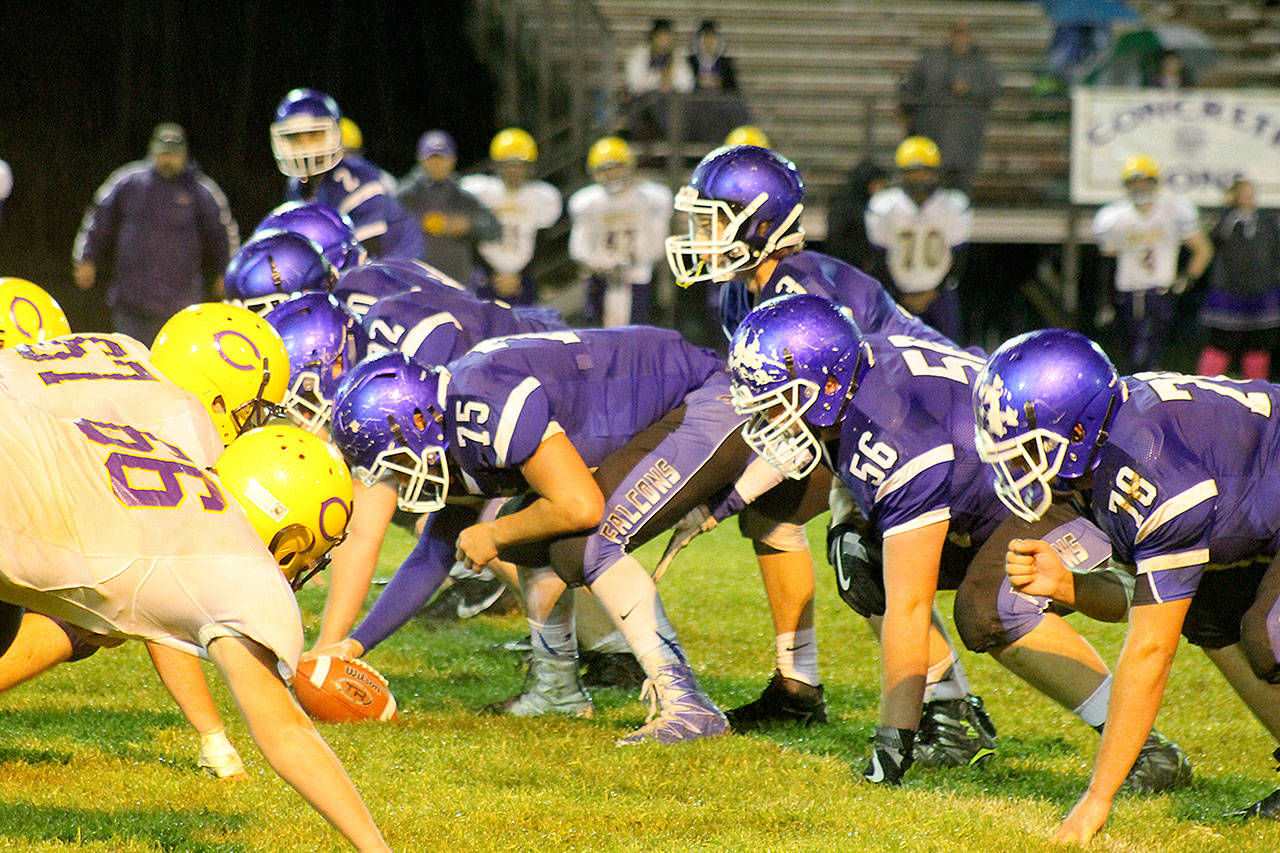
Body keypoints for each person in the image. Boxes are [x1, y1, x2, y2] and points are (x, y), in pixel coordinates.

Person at [729, 294, 1191, 789]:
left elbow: (910, 604)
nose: (771, 418)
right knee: (863, 559)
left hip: (1057, 486)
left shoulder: (892, 432)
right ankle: (950, 718)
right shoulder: (857, 382)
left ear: (829, 383)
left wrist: (891, 743)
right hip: (994, 490)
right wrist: (846, 523)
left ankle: (1145, 748)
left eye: (778, 400)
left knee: (991, 608)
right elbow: (856, 474)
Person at [665, 144, 990, 743]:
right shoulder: (747, 286)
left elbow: (821, 405)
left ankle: (950, 706)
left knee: (860, 559)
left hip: (931, 421)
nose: (700, 235)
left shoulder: (800, 289)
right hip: (874, 417)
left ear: (759, 224)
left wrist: (720, 500)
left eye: (713, 219)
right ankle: (797, 685)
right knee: (774, 519)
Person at [322, 329, 738, 744]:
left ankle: (689, 705)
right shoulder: (453, 421)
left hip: (705, 397)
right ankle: (557, 691)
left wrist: (493, 532)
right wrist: (354, 646)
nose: (392, 476)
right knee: (527, 532)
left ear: (417, 420)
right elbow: (432, 553)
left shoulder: (479, 403)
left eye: (392, 459)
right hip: (678, 400)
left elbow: (579, 506)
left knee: (584, 543)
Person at [974, 329, 1280, 843]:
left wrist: (1098, 799)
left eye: (1027, 450)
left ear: (1075, 432)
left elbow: (1148, 653)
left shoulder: (1148, 467)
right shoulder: (1110, 447)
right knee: (1209, 612)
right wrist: (1070, 587)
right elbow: (1128, 599)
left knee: (1271, 631)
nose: (1016, 468)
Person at [0, 300, 292, 780]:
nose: (250, 422)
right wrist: (215, 738)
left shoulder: (126, 349)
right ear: (220, 395)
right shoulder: (181, 422)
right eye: (252, 408)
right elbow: (165, 596)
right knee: (92, 609)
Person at [73, 122, 239, 346]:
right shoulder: (128, 181)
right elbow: (98, 218)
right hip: (131, 301)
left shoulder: (200, 188)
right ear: (152, 151)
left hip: (181, 303)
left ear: (184, 155)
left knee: (174, 370)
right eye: (163, 154)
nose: (168, 160)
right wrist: (86, 258)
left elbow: (222, 231)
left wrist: (227, 273)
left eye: (174, 155)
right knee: (132, 365)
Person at [270, 88, 423, 261]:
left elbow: (367, 256)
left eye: (313, 135)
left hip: (396, 272)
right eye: (295, 138)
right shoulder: (297, 185)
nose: (305, 147)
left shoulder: (356, 178)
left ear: (334, 134)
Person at [1092, 155, 1212, 372]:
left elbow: (1203, 250)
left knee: (1150, 356)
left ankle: (1148, 399)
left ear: (1154, 182)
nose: (1140, 187)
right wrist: (1105, 300)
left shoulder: (1174, 211)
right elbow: (1107, 261)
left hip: (1161, 293)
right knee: (1130, 356)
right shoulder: (1114, 217)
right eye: (1135, 182)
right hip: (1127, 294)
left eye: (1144, 182)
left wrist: (1187, 279)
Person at [865, 136, 972, 345]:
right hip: (896, 295)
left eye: (924, 171)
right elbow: (877, 258)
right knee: (887, 354)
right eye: (913, 172)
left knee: (953, 353)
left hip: (940, 295)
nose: (919, 178)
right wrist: (897, 292)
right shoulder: (885, 206)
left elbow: (959, 256)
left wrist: (936, 290)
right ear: (902, 173)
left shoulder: (953, 205)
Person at [567, 136, 673, 326]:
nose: (612, 174)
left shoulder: (651, 197)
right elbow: (579, 246)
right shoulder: (587, 202)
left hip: (639, 274)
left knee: (638, 333)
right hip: (600, 277)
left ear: (630, 167)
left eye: (616, 167)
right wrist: (595, 262)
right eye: (605, 169)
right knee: (598, 333)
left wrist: (637, 258)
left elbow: (658, 242)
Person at [459, 128, 562, 306]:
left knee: (523, 330)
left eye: (519, 164)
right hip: (485, 274)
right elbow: (469, 236)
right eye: (508, 164)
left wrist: (519, 275)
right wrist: (492, 272)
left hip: (523, 278)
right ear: (497, 165)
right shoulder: (481, 191)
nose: (514, 170)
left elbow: (542, 240)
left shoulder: (540, 197)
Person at [898, 17, 1001, 191]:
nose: (960, 38)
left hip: (966, 136)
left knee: (960, 187)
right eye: (957, 33)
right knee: (930, 183)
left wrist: (969, 89)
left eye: (965, 33)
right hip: (931, 132)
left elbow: (993, 90)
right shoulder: (932, 61)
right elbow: (911, 90)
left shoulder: (982, 65)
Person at [1197, 178, 1280, 380]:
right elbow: (1210, 243)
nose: (1247, 197)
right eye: (1242, 193)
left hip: (1262, 292)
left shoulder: (1268, 222)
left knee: (1258, 344)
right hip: (1228, 292)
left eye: (1250, 193)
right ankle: (1203, 387)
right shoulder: (1224, 220)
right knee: (1220, 343)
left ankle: (1256, 391)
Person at [395, 130, 501, 285]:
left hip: (455, 281)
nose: (437, 164)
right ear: (420, 159)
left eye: (442, 158)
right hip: (415, 280)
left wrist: (468, 225)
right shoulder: (405, 195)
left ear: (453, 160)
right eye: (432, 158)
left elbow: (494, 229)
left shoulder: (462, 196)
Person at [625, 18, 694, 141]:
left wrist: (670, 82)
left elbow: (688, 85)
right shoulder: (639, 55)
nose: (664, 42)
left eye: (667, 38)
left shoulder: (677, 58)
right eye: (660, 38)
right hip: (644, 105)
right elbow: (634, 83)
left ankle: (675, 139)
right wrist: (659, 81)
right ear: (653, 38)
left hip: (671, 104)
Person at [824, 158, 889, 275]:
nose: (880, 188)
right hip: (847, 268)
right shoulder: (846, 206)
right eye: (877, 183)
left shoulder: (872, 205)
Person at [688, 19, 738, 92]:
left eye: (711, 39)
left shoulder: (725, 64)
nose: (708, 43)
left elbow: (733, 90)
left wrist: (719, 83)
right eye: (705, 39)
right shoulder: (690, 61)